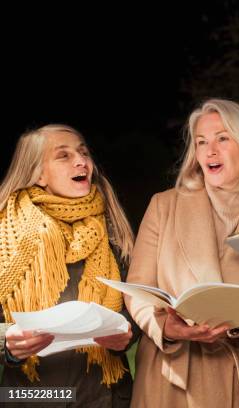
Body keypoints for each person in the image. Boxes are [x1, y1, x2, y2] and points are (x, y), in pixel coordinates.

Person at [125, 99, 239, 407]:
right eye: (201, 142)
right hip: (173, 373)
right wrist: (165, 328)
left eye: (222, 138)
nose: (209, 150)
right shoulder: (164, 206)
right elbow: (137, 289)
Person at [0, 124, 137, 407]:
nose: (81, 161)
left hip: (107, 396)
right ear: (37, 173)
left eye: (83, 153)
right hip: (31, 397)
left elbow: (139, 307)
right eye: (63, 155)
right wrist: (7, 343)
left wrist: (128, 334)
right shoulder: (5, 234)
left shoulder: (114, 229)